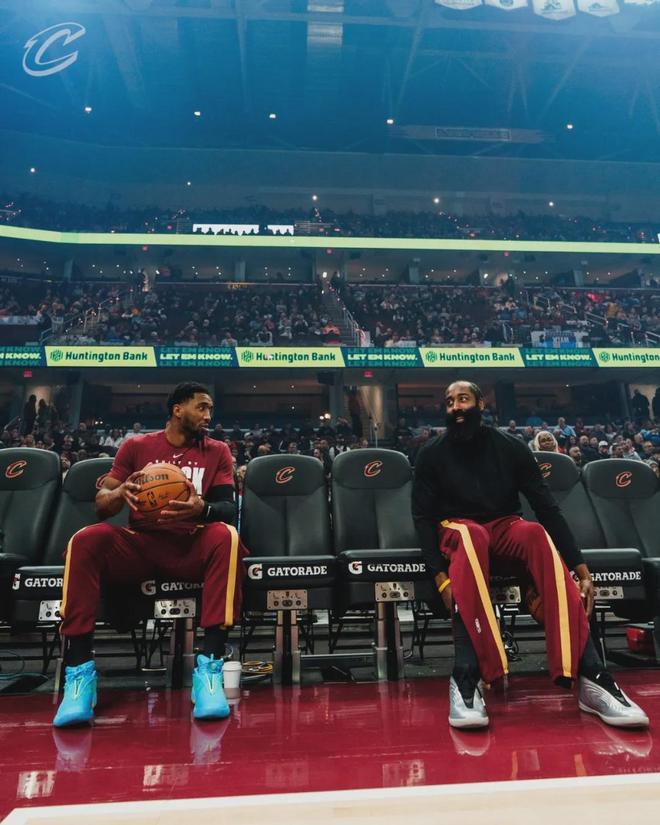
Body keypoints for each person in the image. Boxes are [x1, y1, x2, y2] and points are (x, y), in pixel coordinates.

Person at [412, 380, 648, 730]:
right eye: (449, 402)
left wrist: (580, 568)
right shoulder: (431, 453)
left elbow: (546, 508)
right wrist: (440, 577)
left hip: (504, 526)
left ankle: (591, 676)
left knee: (535, 533)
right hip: (457, 529)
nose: (456, 407)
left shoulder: (511, 447)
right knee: (472, 536)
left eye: (463, 399)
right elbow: (422, 519)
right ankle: (466, 675)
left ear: (480, 404)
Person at [53, 382, 249, 728]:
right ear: (178, 409)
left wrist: (201, 509)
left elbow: (227, 509)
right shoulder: (136, 446)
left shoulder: (217, 450)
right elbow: (101, 505)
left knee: (226, 536)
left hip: (189, 544)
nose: (209, 415)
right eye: (202, 407)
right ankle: (79, 673)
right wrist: (120, 493)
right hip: (141, 544)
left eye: (210, 409)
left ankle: (209, 669)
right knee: (85, 539)